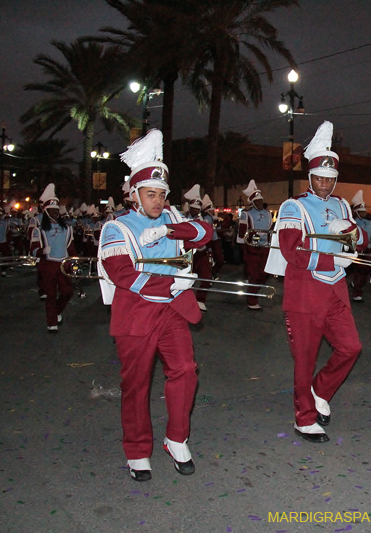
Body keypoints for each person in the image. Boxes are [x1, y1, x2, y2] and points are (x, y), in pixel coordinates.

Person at [97, 130, 213, 482]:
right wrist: (170, 281)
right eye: (151, 194)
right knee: (136, 384)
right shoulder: (117, 227)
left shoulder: (172, 218)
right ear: (134, 194)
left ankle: (176, 438)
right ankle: (136, 450)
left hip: (171, 310)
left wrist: (170, 232)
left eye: (162, 194)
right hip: (136, 315)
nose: (158, 201)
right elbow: (123, 275)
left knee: (186, 371)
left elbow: (206, 233)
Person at [265, 121, 366, 443]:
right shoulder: (293, 206)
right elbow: (291, 250)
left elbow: (361, 240)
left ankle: (319, 390)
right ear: (310, 177)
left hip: (335, 287)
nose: (325, 183)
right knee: (304, 359)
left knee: (351, 347)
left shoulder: (341, 205)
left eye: (330, 178)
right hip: (305, 290)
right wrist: (331, 259)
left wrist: (351, 233)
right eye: (320, 177)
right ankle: (304, 418)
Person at [29, 184, 75, 332]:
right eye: (52, 210)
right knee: (50, 295)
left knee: (68, 292)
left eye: (56, 210)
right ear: (46, 211)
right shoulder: (39, 230)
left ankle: (56, 312)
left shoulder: (67, 228)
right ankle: (52, 323)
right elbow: (33, 251)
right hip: (48, 266)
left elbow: (71, 247)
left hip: (63, 265)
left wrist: (74, 261)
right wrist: (42, 251)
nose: (55, 213)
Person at [236, 180, 271, 310]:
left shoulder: (268, 213)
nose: (260, 203)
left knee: (265, 274)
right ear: (252, 202)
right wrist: (244, 249)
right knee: (254, 275)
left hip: (266, 248)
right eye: (257, 201)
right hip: (252, 249)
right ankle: (252, 300)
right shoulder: (246, 214)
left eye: (261, 201)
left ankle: (253, 292)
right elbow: (241, 233)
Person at [182, 185, 212, 312]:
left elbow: (210, 235)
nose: (195, 211)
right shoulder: (183, 219)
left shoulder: (204, 220)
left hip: (202, 252)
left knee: (206, 277)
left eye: (197, 209)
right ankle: (184, 302)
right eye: (193, 208)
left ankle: (200, 300)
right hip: (188, 253)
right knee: (184, 279)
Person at [348, 190, 371, 303]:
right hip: (357, 250)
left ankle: (356, 285)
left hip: (368, 249)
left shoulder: (369, 223)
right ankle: (357, 293)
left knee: (366, 271)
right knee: (360, 271)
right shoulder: (353, 223)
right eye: (361, 212)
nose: (364, 213)